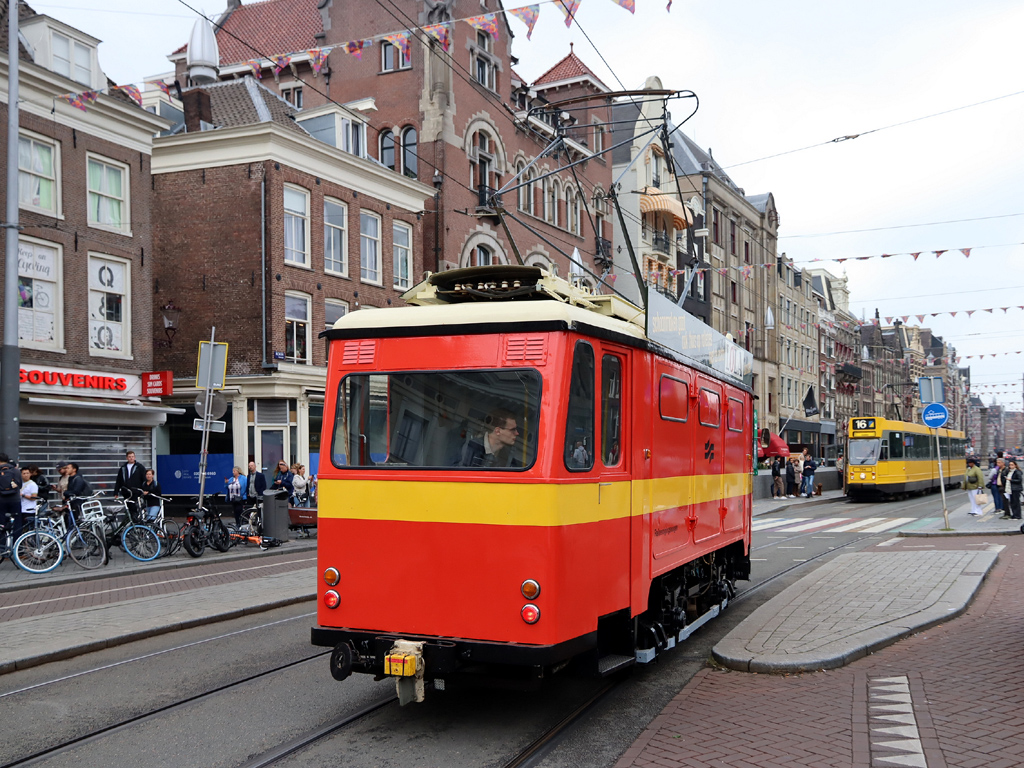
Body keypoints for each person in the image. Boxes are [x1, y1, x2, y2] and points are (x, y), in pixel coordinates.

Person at [454, 408, 522, 468]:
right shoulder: (471, 447)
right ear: (497, 431)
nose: (517, 433)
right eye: (513, 430)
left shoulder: (509, 457)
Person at [113, 450, 147, 516]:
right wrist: (116, 492)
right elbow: (119, 480)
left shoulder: (139, 467)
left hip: (136, 492)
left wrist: (144, 489)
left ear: (134, 457)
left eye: (132, 456)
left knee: (135, 508)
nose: (131, 458)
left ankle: (136, 520)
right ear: (127, 458)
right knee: (128, 509)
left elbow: (144, 479)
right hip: (126, 492)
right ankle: (129, 520)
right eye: (129, 457)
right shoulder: (123, 468)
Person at [0, 453, 22, 538]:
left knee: (1, 523)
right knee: (17, 522)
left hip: (1, 500)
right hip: (15, 500)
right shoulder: (16, 471)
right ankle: (17, 543)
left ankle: (3, 543)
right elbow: (20, 485)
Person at [18, 467, 37, 540]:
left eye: (27, 473)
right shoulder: (20, 484)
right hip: (21, 510)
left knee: (28, 531)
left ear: (30, 474)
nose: (26, 475)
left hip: (29, 510)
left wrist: (23, 495)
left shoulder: (33, 484)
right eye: (24, 473)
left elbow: (34, 497)